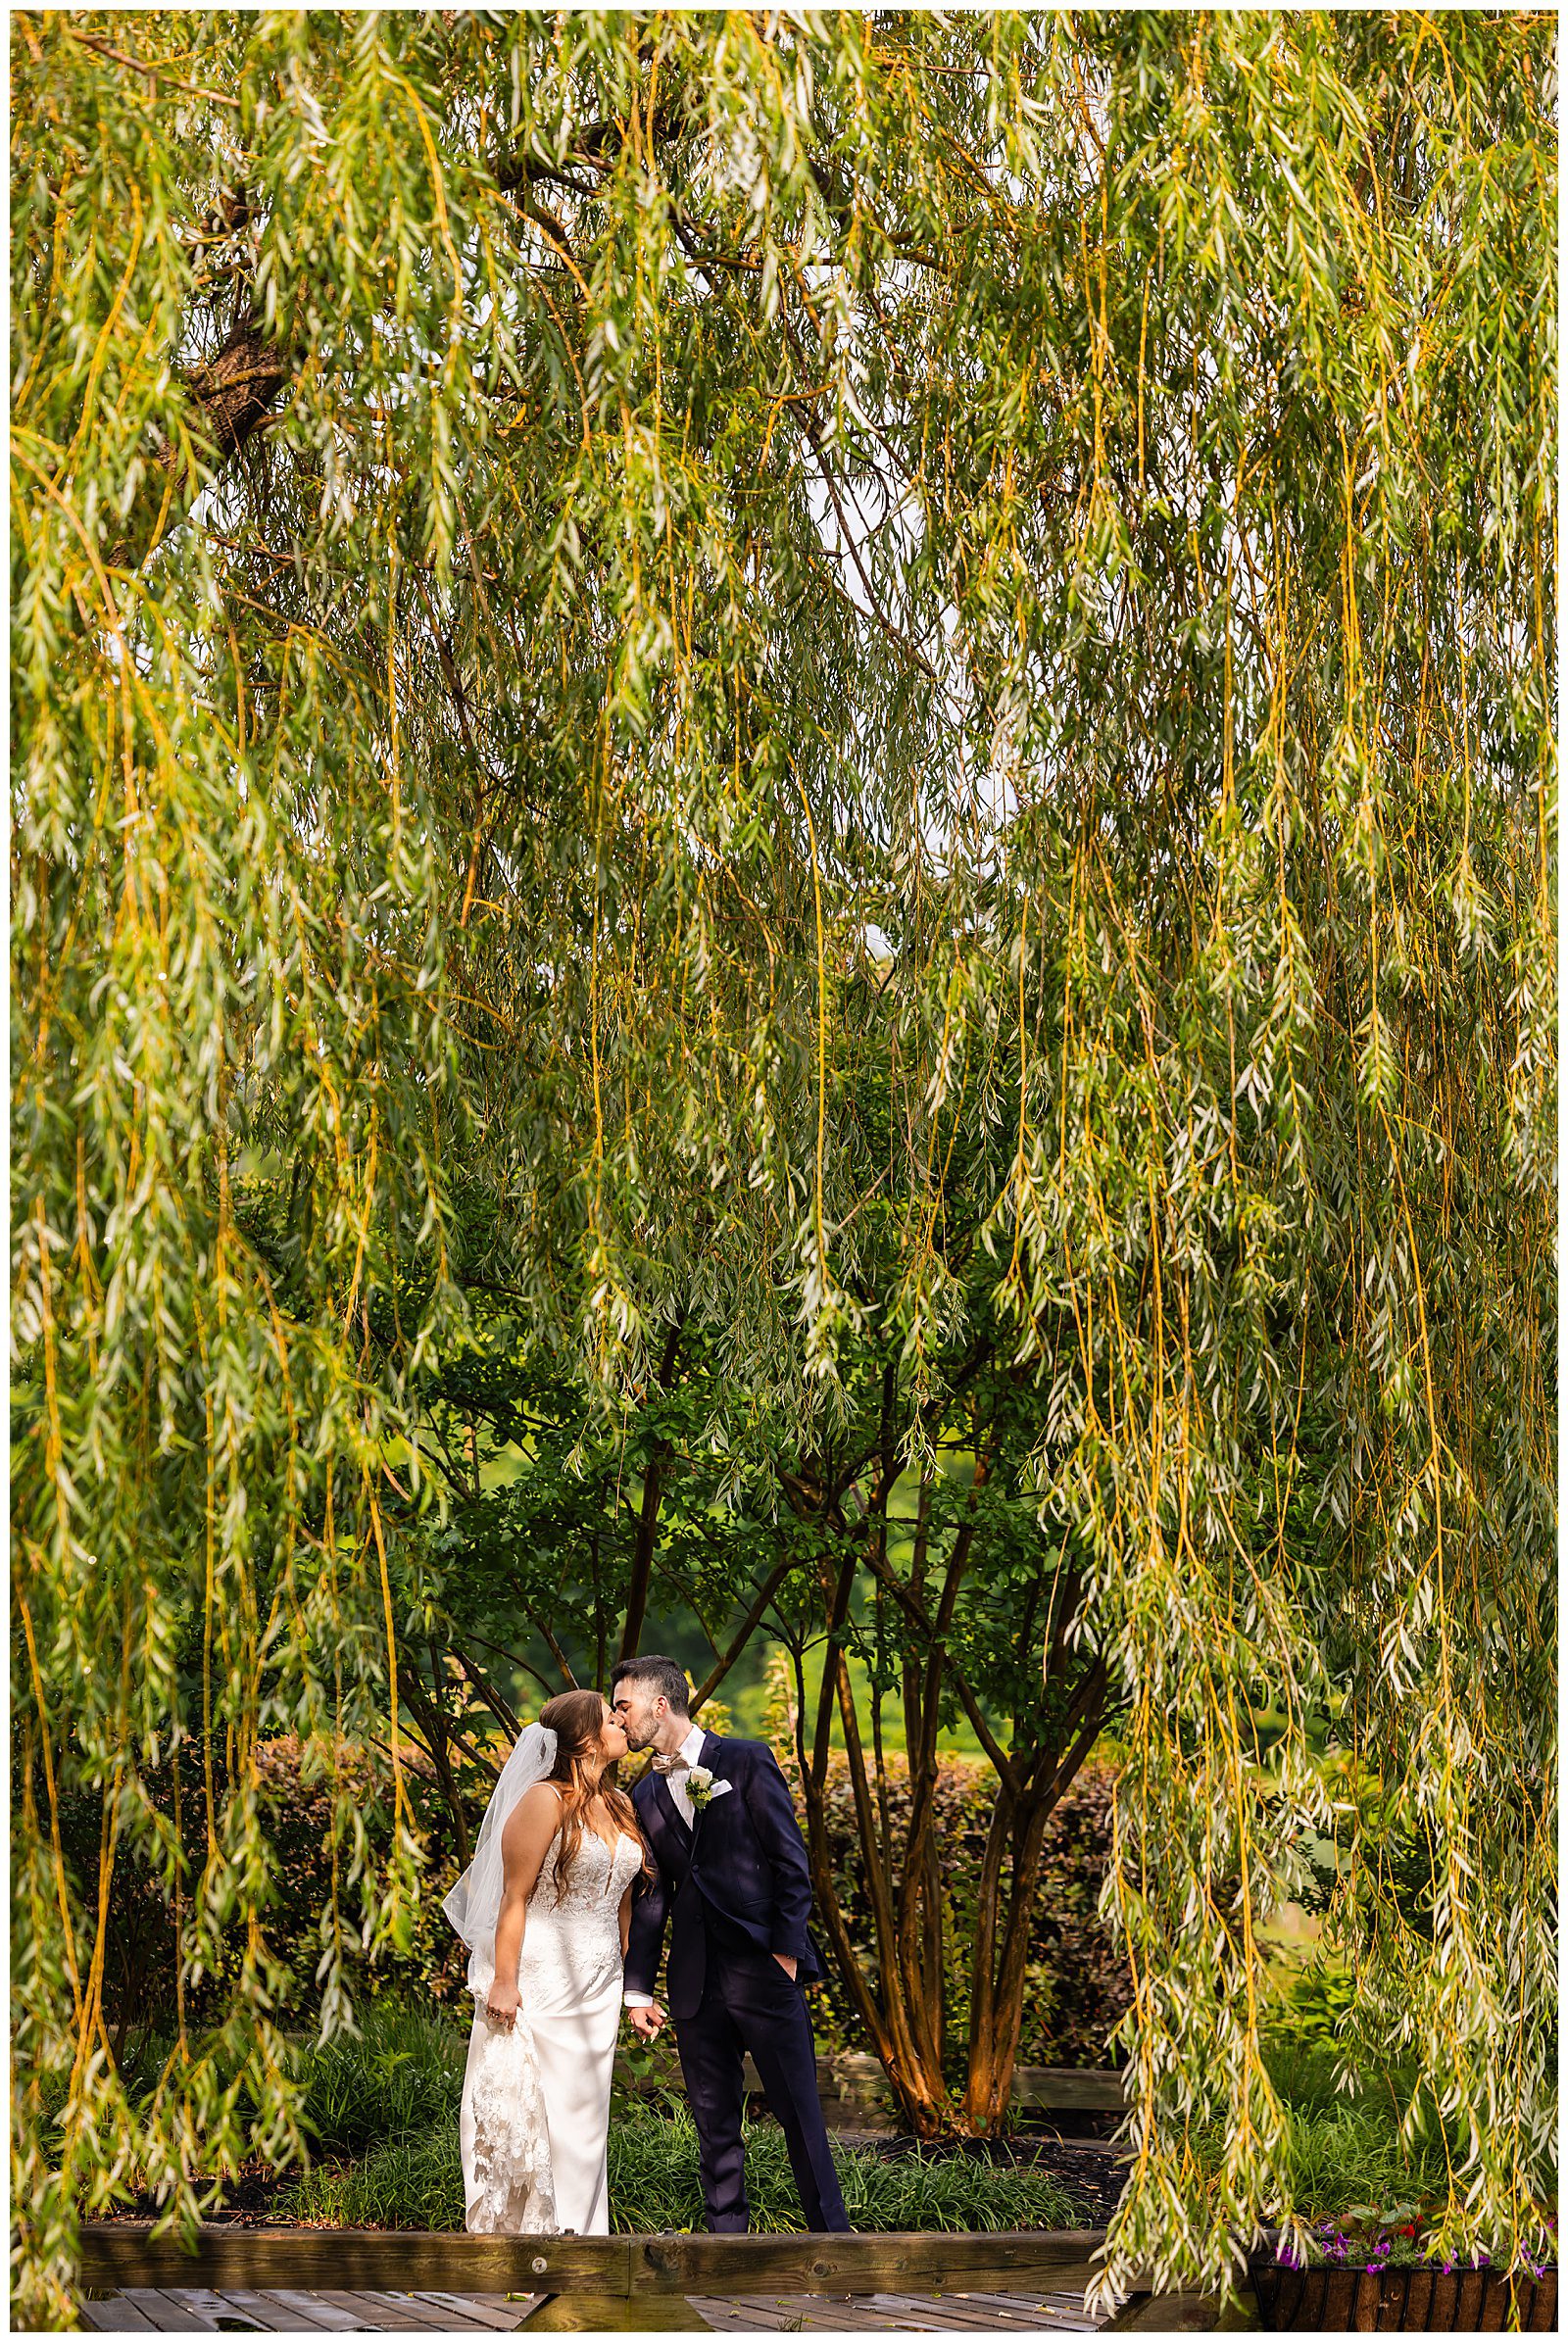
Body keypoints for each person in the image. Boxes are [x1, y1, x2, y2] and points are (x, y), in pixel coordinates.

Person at [611, 1654, 851, 2234]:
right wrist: (638, 1990)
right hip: (694, 1984)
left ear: (659, 1705)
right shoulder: (644, 1795)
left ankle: (836, 2247)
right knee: (714, 2125)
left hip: (765, 1972)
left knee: (800, 2115)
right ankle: (725, 2252)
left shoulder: (743, 1760)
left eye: (623, 1705)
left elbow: (791, 1863)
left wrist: (785, 1954)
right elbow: (653, 1898)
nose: (618, 1719)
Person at [443, 1686, 651, 2233]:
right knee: (535, 2114)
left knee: (586, 2122)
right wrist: (504, 1982)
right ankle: (521, 2240)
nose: (622, 1726)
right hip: (542, 1977)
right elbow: (514, 1897)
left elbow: (624, 1900)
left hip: (599, 1983)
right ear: (584, 1739)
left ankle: (583, 2241)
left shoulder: (621, 1805)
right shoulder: (543, 1800)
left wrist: (630, 1985)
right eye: (612, 1719)